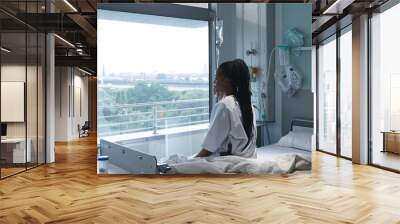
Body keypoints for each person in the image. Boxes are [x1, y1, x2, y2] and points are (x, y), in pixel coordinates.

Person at [195, 59, 257, 158]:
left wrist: (192, 161)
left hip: (228, 164)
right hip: (247, 161)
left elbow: (209, 149)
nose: (214, 82)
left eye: (217, 77)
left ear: (228, 81)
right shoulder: (248, 105)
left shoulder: (224, 105)